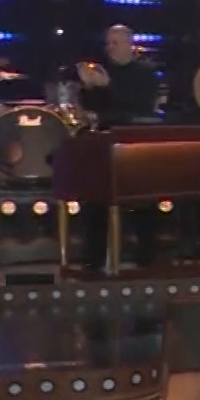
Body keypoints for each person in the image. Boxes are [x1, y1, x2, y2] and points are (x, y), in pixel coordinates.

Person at [75, 25, 162, 268]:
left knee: (142, 202)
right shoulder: (103, 71)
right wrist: (89, 87)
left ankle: (147, 256)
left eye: (115, 43)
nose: (110, 48)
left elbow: (140, 105)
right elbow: (93, 107)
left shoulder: (146, 72)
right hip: (104, 140)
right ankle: (94, 258)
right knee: (95, 199)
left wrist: (108, 86)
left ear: (129, 45)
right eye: (108, 43)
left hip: (135, 142)